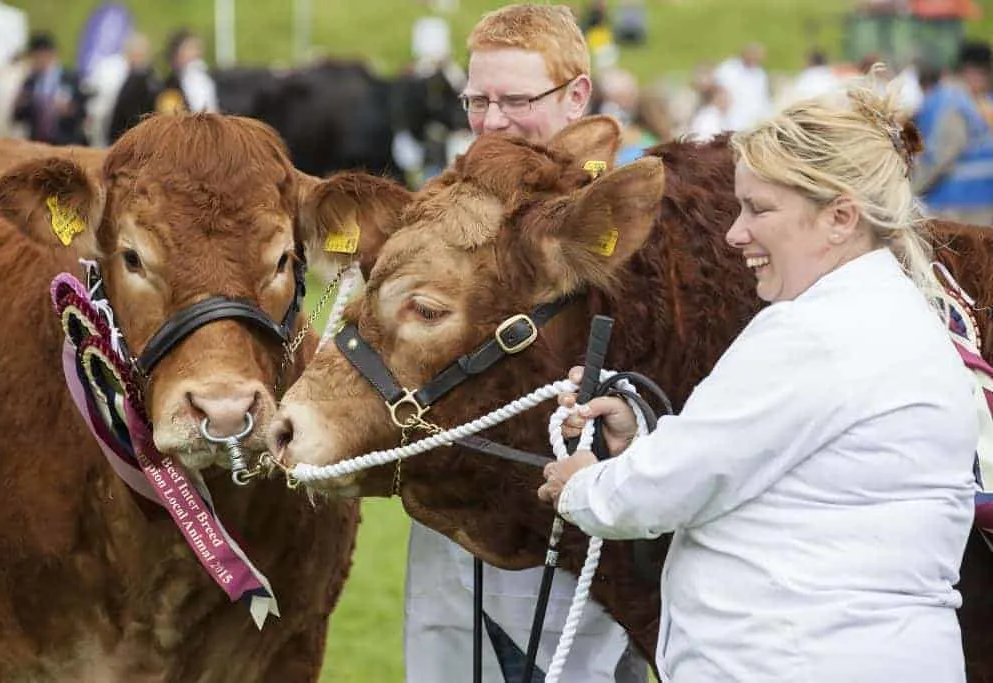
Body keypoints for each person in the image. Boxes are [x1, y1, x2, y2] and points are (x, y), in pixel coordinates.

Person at [539, 77, 978, 682]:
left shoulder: (815, 334)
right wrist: (641, 440)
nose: (735, 232)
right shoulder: (898, 317)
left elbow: (657, 492)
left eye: (760, 209)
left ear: (840, 218)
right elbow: (780, 477)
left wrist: (581, 486)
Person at [405, 7, 647, 682]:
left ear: (577, 96)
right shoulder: (441, 211)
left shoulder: (628, 221)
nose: (492, 121)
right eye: (478, 99)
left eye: (515, 100)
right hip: (453, 537)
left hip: (579, 553)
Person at [912, 41, 993, 225]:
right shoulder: (974, 102)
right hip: (968, 203)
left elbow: (940, 155)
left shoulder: (948, 100)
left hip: (954, 205)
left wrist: (912, 191)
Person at [12, 33, 87, 145]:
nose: (37, 60)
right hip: (38, 142)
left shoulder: (70, 78)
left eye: (40, 55)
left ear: (51, 54)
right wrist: (21, 104)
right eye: (34, 57)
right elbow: (18, 116)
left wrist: (71, 110)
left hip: (66, 141)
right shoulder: (30, 81)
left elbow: (82, 111)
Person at [156, 29, 217, 114]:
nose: (196, 53)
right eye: (190, 49)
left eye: (197, 49)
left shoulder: (207, 76)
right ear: (177, 55)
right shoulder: (170, 85)